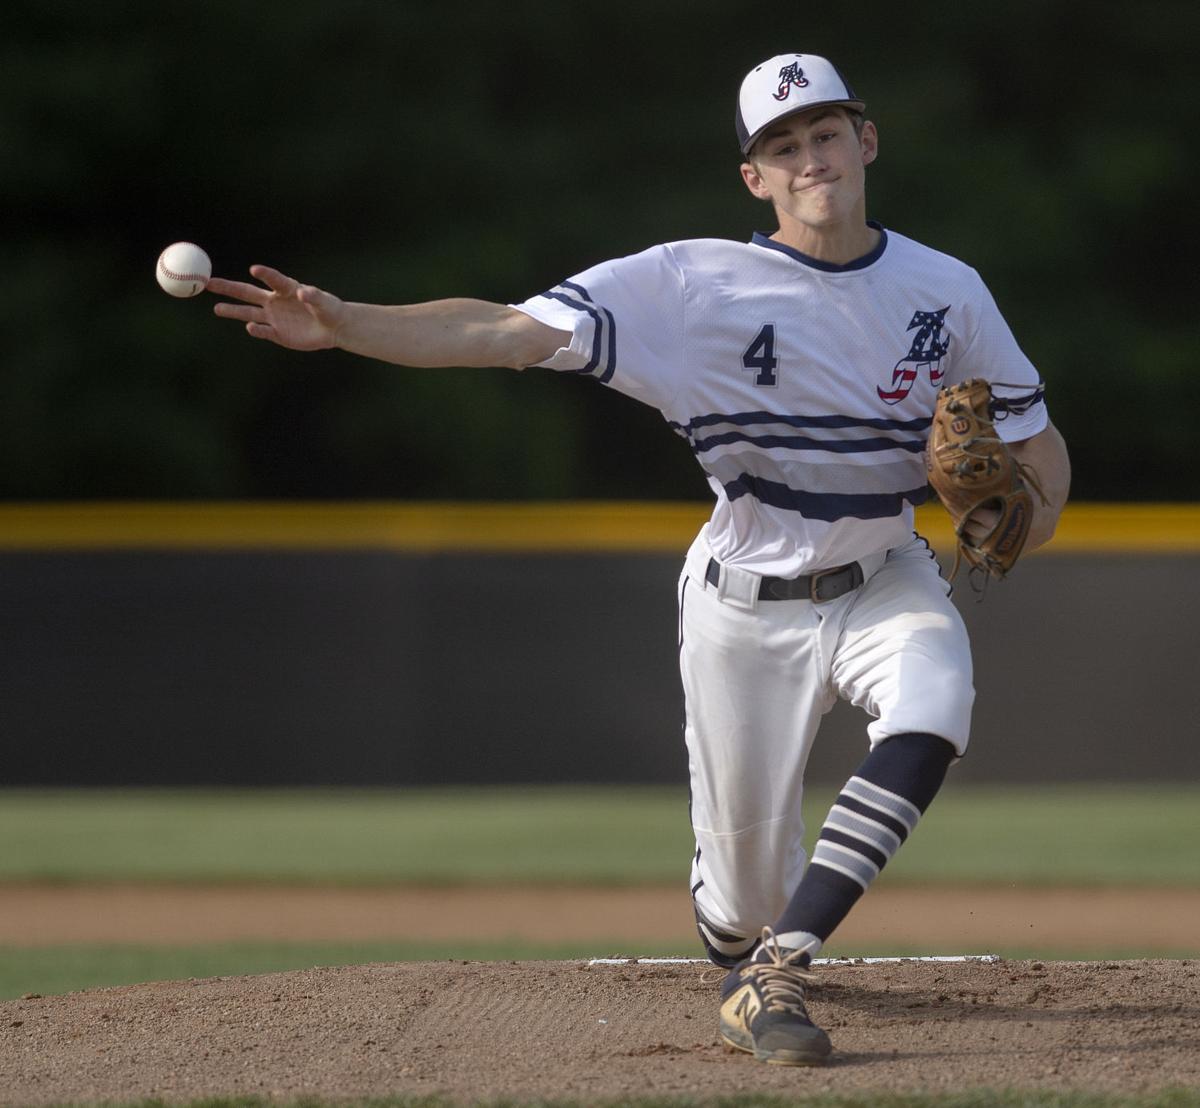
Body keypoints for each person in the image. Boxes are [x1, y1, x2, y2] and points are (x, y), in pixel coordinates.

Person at [208, 52, 1071, 1066]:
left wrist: (1028, 513)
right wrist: (348, 326)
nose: (810, 159)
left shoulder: (947, 290)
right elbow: (506, 330)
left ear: (866, 141)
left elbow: (1037, 456)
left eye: (826, 134)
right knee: (740, 898)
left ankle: (779, 970)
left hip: (885, 572)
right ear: (756, 178)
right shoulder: (690, 283)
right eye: (782, 148)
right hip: (744, 606)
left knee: (938, 700)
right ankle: (742, 932)